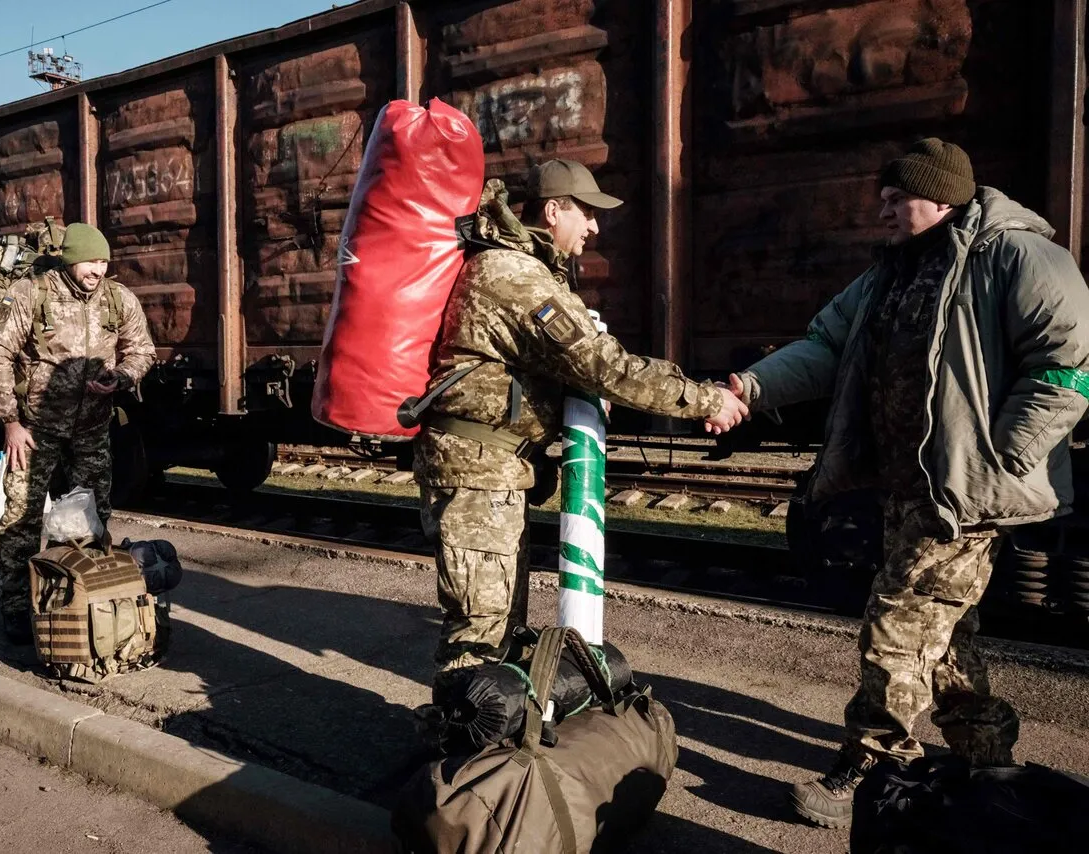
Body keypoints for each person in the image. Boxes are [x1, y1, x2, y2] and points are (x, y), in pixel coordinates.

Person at [728, 138, 1089, 827]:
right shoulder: (890, 273)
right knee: (945, 638)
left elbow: (1068, 365)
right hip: (908, 490)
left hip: (966, 492)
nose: (883, 210)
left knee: (895, 627)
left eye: (897, 199)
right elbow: (826, 346)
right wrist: (751, 385)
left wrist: (1004, 456)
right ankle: (989, 758)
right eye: (883, 198)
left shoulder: (1019, 256)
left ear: (942, 197)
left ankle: (874, 766)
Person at [414, 159, 747, 698]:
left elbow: (565, 368)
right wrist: (706, 398)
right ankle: (455, 763)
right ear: (553, 211)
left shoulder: (523, 270)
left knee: (497, 629)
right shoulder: (515, 275)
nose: (594, 227)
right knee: (478, 637)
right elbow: (604, 366)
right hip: (478, 476)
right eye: (587, 213)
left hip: (491, 472)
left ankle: (488, 756)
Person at [0, 222, 155, 643]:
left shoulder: (118, 299)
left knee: (93, 520)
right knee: (21, 520)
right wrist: (10, 422)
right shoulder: (33, 293)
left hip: (92, 430)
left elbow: (142, 349)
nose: (96, 269)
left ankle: (85, 603)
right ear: (69, 260)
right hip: (35, 431)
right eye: (88, 261)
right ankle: (18, 611)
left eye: (102, 261)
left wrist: (123, 377)